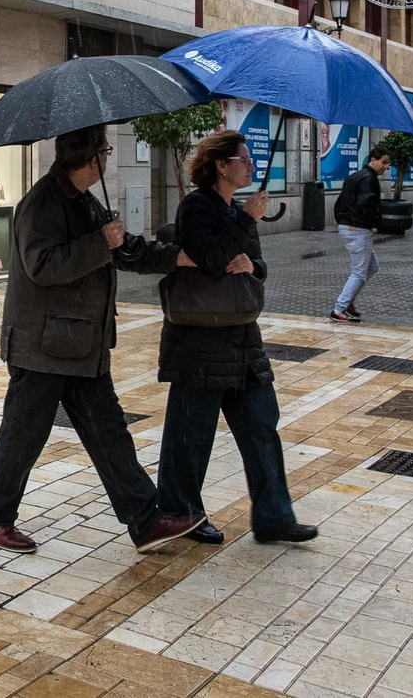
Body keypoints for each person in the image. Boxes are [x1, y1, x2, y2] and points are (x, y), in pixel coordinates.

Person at [0, 124, 202, 555]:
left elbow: (122, 247)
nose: (109, 158)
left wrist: (175, 257)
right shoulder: (42, 202)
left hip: (79, 345)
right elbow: (42, 264)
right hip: (42, 346)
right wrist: (99, 242)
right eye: (106, 150)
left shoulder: (83, 200)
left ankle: (146, 520)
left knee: (110, 433)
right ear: (91, 157)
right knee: (24, 435)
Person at [155, 129, 316, 547]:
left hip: (242, 336)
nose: (251, 166)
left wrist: (253, 264)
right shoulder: (197, 207)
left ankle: (274, 517)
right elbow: (208, 258)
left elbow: (255, 262)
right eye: (243, 160)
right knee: (190, 436)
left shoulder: (238, 208)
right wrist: (246, 220)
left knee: (262, 426)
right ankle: (181, 513)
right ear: (220, 166)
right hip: (200, 340)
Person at [331, 145, 392, 324]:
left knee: (372, 267)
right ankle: (340, 309)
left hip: (349, 226)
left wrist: (343, 221)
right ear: (372, 160)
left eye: (388, 164)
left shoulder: (355, 176)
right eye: (384, 162)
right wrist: (375, 219)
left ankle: (347, 303)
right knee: (359, 272)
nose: (386, 167)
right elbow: (366, 203)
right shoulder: (369, 178)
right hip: (358, 229)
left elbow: (339, 202)